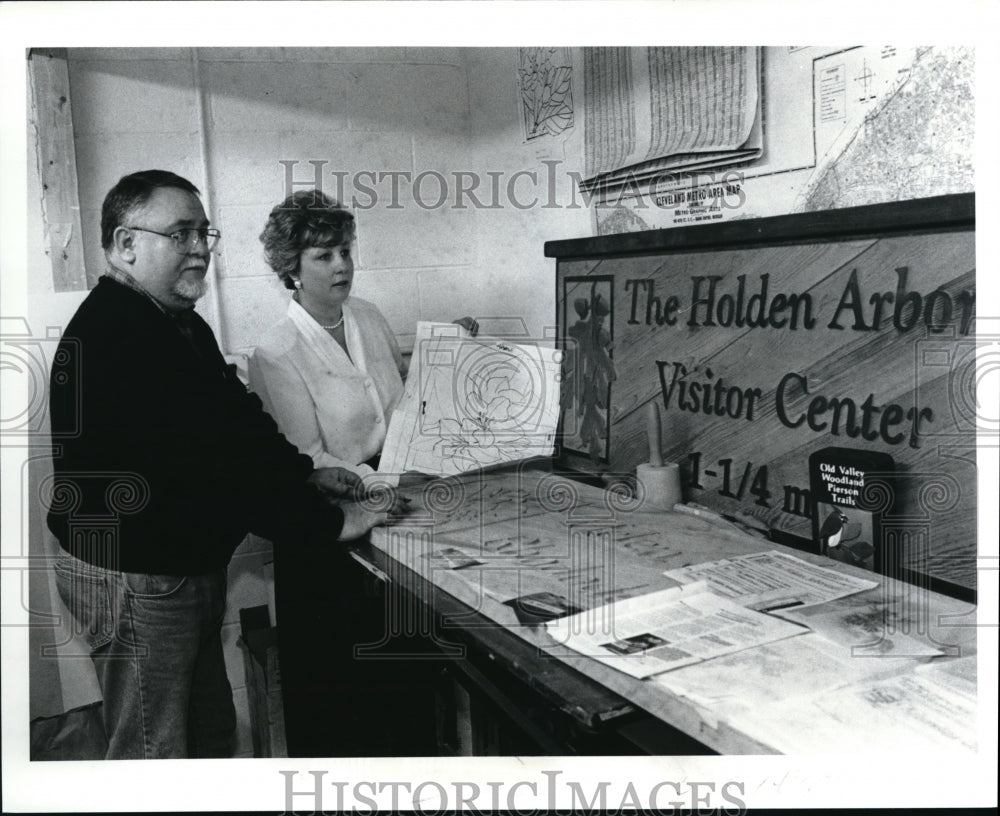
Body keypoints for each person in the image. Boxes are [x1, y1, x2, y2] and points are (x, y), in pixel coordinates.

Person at [46, 170, 398, 760]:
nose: (200, 249)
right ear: (124, 244)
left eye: (204, 233)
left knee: (205, 732)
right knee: (152, 750)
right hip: (137, 575)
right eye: (180, 233)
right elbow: (219, 469)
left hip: (172, 567)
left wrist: (303, 474)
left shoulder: (174, 320)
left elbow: (240, 422)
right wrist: (330, 523)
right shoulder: (123, 335)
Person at [249, 189, 476, 477]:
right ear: (293, 269)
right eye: (324, 257)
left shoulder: (368, 314)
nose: (342, 265)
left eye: (344, 252)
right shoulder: (277, 352)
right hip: (348, 490)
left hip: (413, 468)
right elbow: (309, 460)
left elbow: (404, 392)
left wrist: (442, 345)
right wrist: (383, 481)